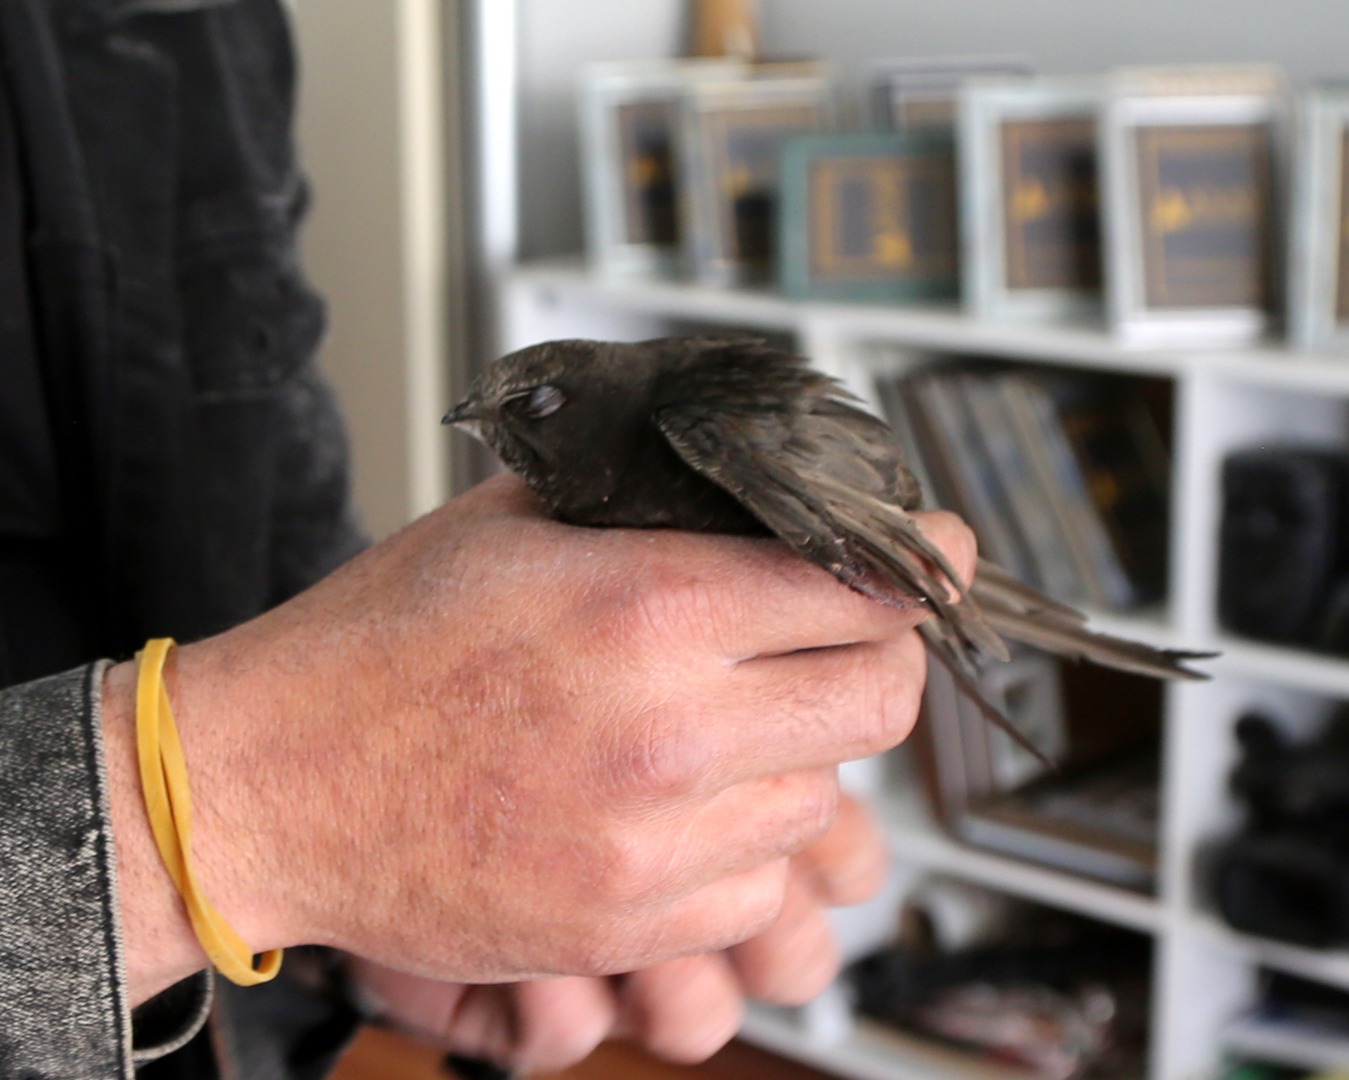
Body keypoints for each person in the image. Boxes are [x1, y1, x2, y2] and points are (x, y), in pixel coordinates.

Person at [0, 1, 976, 1077]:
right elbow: (272, 780)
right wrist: (231, 825)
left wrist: (378, 902)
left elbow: (260, 463)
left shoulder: (207, 24)